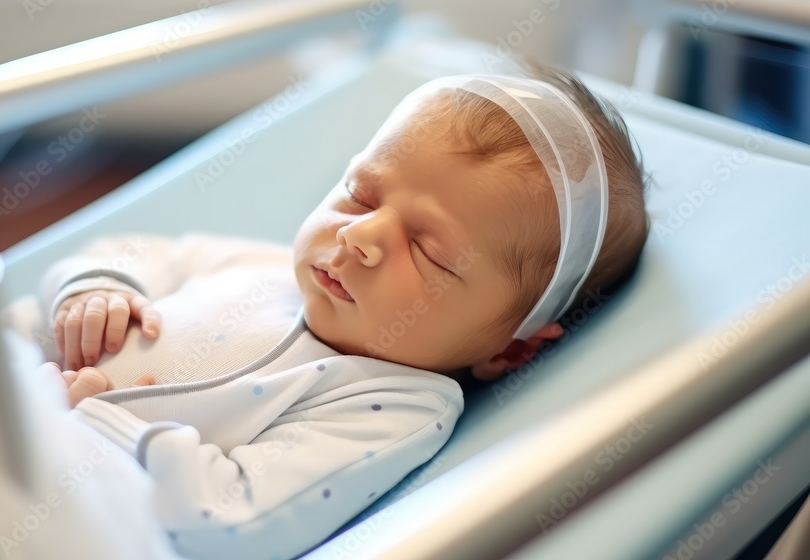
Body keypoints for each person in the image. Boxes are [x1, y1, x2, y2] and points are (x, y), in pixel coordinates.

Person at [32, 65, 648, 560]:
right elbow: (132, 253)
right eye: (362, 193)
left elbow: (234, 520)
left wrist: (91, 428)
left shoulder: (388, 403)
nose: (360, 235)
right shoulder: (264, 265)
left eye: (429, 252)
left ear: (511, 348)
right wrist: (94, 292)